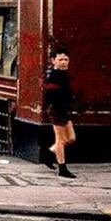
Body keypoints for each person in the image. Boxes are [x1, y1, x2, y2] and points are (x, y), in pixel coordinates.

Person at [43, 45, 76, 178]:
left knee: (71, 138)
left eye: (66, 59)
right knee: (61, 140)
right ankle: (62, 169)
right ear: (53, 60)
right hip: (57, 110)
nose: (64, 62)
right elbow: (51, 95)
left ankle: (49, 154)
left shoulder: (63, 75)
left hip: (64, 110)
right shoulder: (54, 76)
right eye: (61, 59)